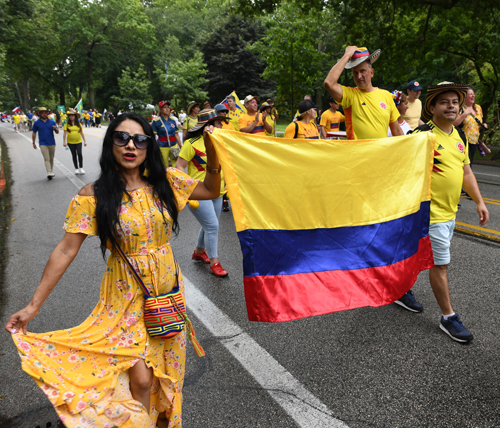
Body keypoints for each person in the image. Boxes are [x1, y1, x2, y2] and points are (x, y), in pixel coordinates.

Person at [6, 112, 221, 427]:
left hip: (166, 292)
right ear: (111, 145)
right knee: (142, 379)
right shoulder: (93, 195)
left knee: (162, 374)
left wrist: (213, 149)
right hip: (124, 295)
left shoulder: (167, 183)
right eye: (122, 137)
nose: (131, 145)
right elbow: (66, 249)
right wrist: (33, 305)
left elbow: (212, 190)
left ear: (149, 146)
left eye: (140, 139)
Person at [396, 82, 489, 343]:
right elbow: (399, 168)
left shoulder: (458, 136)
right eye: (445, 102)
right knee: (440, 263)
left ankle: (402, 289)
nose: (451, 106)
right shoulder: (422, 135)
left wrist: (480, 201)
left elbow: (466, 172)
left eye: (455, 102)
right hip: (430, 214)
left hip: (450, 214)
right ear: (433, 107)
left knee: (420, 255)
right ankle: (448, 317)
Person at [176, 109, 230, 277]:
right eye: (219, 122)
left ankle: (199, 251)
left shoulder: (220, 141)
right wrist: (186, 190)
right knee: (212, 226)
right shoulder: (191, 143)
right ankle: (215, 262)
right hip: (198, 193)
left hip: (218, 192)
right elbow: (179, 167)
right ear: (208, 125)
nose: (222, 124)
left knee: (208, 224)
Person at [324, 46, 403, 139]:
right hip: (357, 153)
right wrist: (347, 55)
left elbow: (397, 131)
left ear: (372, 73)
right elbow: (329, 83)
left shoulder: (386, 95)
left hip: (381, 153)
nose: (359, 76)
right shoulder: (350, 95)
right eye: (355, 72)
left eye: (362, 71)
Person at [453, 87, 488, 165]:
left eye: (473, 94)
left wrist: (483, 125)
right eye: (470, 94)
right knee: (465, 164)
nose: (473, 96)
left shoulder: (478, 108)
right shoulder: (460, 108)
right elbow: (454, 123)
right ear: (465, 97)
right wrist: (464, 114)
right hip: (463, 140)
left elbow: (476, 125)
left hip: (474, 141)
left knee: (470, 163)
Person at [152, 100, 182, 167]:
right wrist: (153, 147)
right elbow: (153, 136)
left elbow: (176, 134)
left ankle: (175, 178)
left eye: (168, 107)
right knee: (164, 165)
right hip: (162, 146)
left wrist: (180, 146)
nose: (167, 109)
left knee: (176, 165)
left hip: (173, 145)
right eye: (165, 107)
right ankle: (164, 177)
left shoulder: (173, 120)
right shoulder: (156, 121)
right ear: (161, 109)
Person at [32, 107, 59, 179]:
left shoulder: (52, 122)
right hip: (42, 143)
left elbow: (57, 132)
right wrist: (33, 142)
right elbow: (34, 132)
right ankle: (49, 171)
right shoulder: (37, 123)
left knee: (51, 158)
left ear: (47, 114)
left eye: (45, 113)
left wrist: (55, 129)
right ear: (40, 114)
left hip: (51, 142)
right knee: (46, 158)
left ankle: (51, 171)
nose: (44, 114)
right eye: (42, 113)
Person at [63, 108, 87, 175]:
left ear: (75, 116)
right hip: (70, 142)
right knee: (74, 155)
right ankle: (76, 168)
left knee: (79, 153)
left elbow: (81, 132)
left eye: (72, 115)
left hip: (78, 141)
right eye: (70, 115)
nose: (71, 117)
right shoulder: (66, 124)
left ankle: (81, 167)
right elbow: (65, 133)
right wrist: (64, 142)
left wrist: (85, 141)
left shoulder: (78, 124)